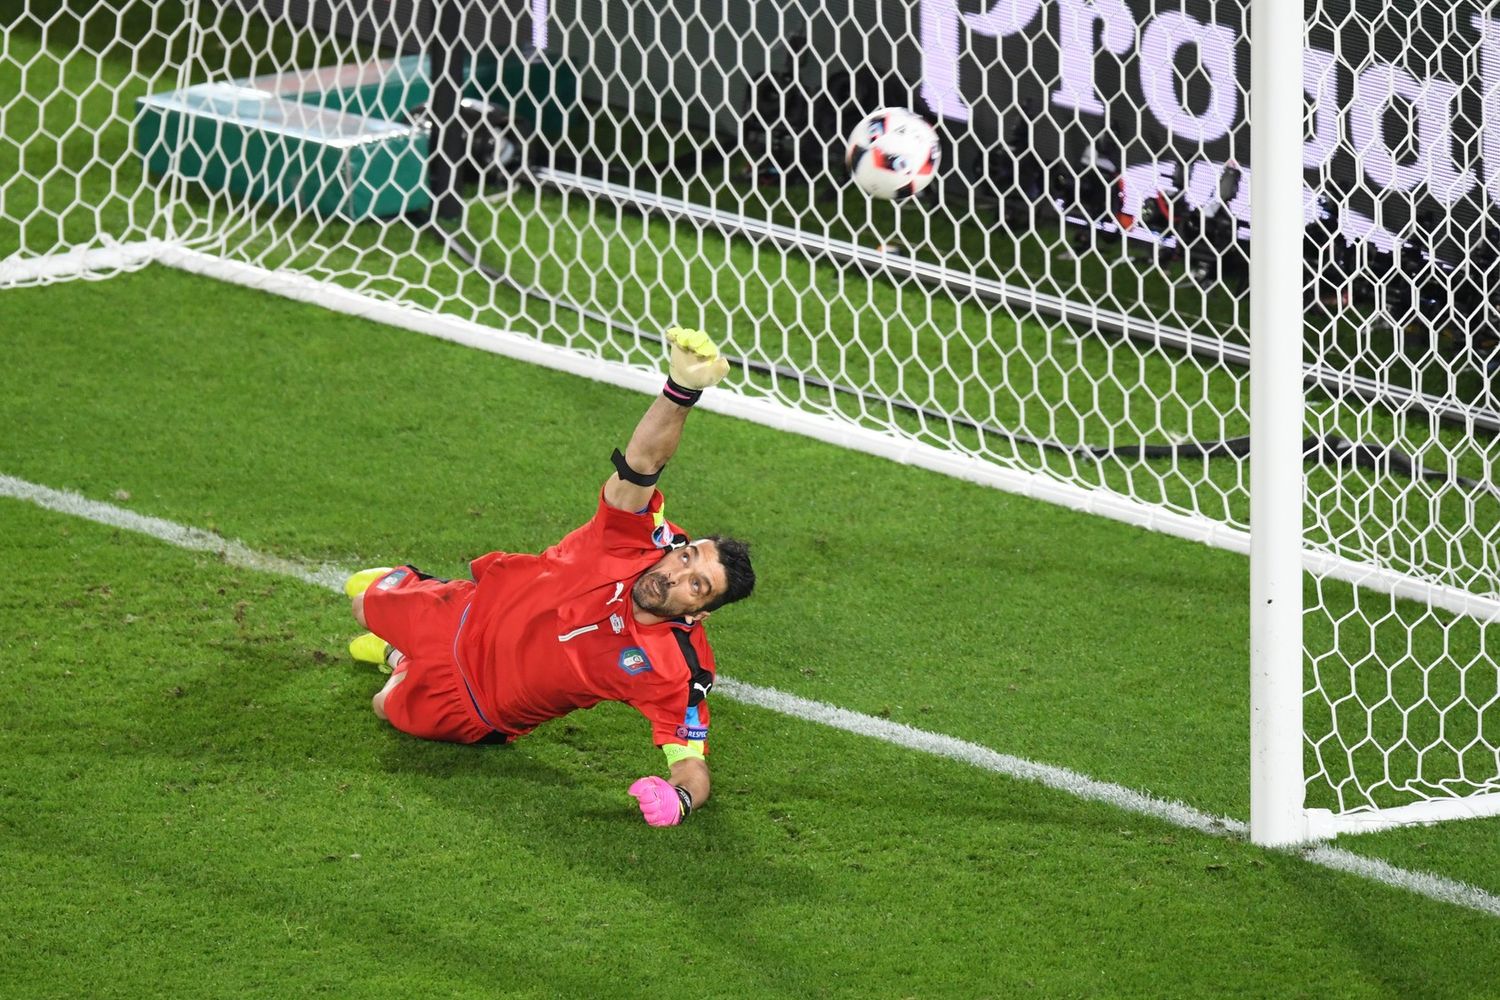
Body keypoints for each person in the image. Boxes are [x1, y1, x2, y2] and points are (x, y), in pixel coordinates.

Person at [343, 327, 755, 827]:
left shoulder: (678, 669)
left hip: (476, 703)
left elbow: (690, 763)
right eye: (688, 558)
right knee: (361, 595)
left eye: (697, 584)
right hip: (462, 614)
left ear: (701, 611)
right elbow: (643, 462)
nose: (675, 574)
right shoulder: (634, 537)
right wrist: (681, 391)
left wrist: (680, 800)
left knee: (386, 707)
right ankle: (405, 613)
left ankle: (396, 657)